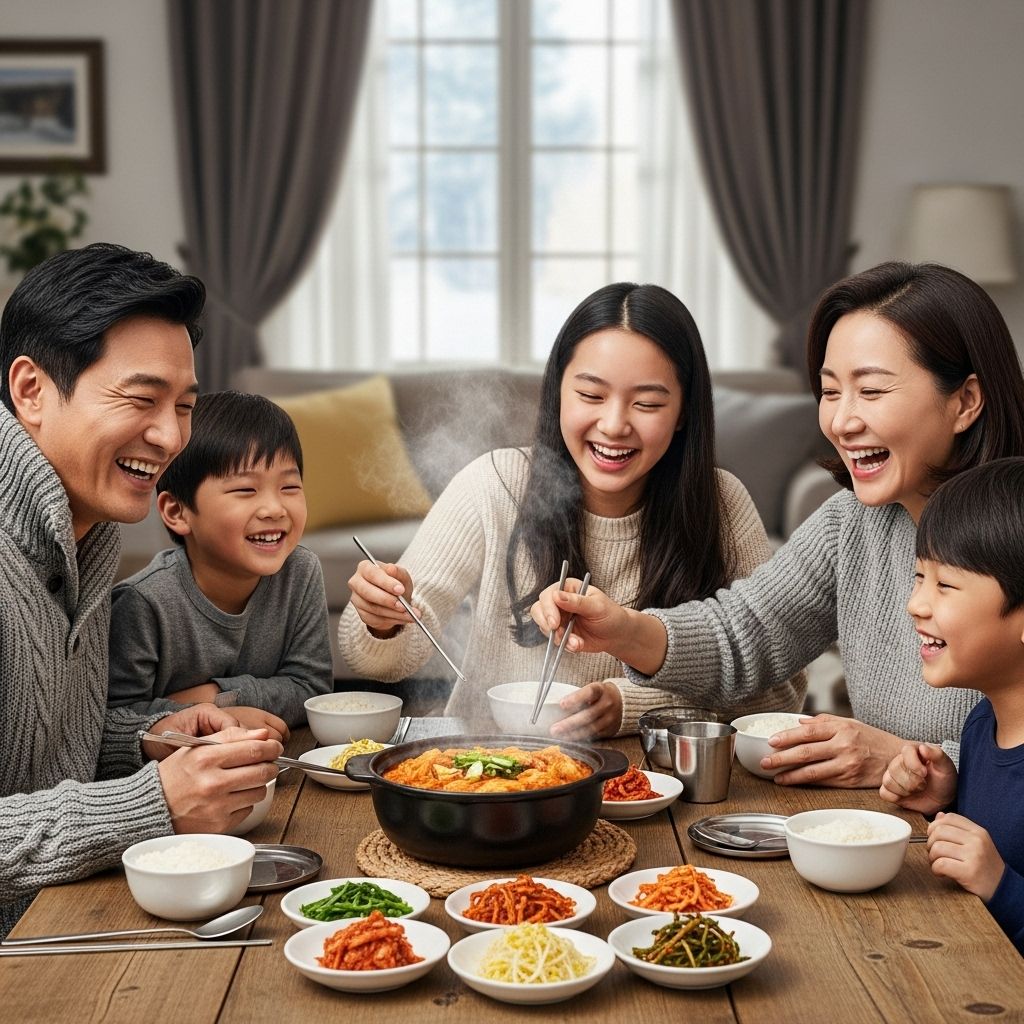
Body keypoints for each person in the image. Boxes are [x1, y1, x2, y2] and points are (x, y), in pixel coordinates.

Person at [531, 262, 1024, 783]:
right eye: (831, 392)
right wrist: (624, 629)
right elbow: (746, 634)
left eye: (872, 391)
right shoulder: (853, 524)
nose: (842, 421)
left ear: (965, 401)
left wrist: (929, 764)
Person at [339, 282, 804, 737]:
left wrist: (631, 704)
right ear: (558, 390)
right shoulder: (496, 483)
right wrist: (380, 621)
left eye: (646, 403)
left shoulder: (720, 504)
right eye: (591, 396)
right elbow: (384, 660)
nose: (614, 424)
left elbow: (780, 693)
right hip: (483, 765)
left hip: (650, 778)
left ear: (683, 411)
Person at [0, 244, 283, 938]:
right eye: (140, 399)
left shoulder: (83, 535)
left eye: (184, 406)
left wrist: (152, 736)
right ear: (31, 390)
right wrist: (151, 803)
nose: (169, 436)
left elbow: (41, 753)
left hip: (58, 920)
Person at [107, 391, 333, 728]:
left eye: (289, 487)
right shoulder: (143, 603)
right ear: (177, 512)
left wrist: (216, 697)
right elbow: (114, 721)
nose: (274, 509)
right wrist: (209, 717)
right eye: (245, 490)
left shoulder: (300, 571)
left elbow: (312, 690)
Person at [879, 458, 1024, 955]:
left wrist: (1002, 886)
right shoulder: (983, 723)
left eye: (945, 585)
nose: (916, 604)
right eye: (919, 577)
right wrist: (948, 800)